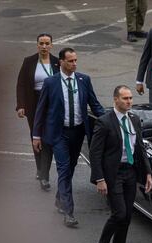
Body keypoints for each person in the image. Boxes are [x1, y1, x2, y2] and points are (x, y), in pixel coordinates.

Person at [32, 47, 104, 227]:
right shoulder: (51, 83)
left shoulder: (84, 80)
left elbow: (94, 104)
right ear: (61, 63)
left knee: (71, 167)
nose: (74, 64)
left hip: (78, 132)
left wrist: (111, 121)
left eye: (75, 60)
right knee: (64, 169)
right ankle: (68, 212)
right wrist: (36, 135)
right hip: (58, 134)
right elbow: (40, 110)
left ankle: (59, 199)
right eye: (70, 61)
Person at [90, 85, 152, 243]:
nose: (129, 102)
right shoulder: (104, 122)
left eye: (131, 98)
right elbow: (95, 152)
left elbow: (140, 147)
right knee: (119, 214)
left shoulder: (134, 119)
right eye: (125, 98)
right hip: (113, 174)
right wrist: (100, 179)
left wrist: (148, 173)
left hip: (130, 172)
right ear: (115, 100)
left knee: (126, 218)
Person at [16, 34, 59, 191]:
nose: (44, 46)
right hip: (34, 102)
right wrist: (21, 105)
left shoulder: (56, 62)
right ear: (37, 45)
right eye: (41, 43)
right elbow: (21, 84)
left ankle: (44, 170)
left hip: (51, 103)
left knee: (48, 138)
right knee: (36, 135)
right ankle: (39, 167)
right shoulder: (29, 61)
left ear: (51, 45)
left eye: (47, 43)